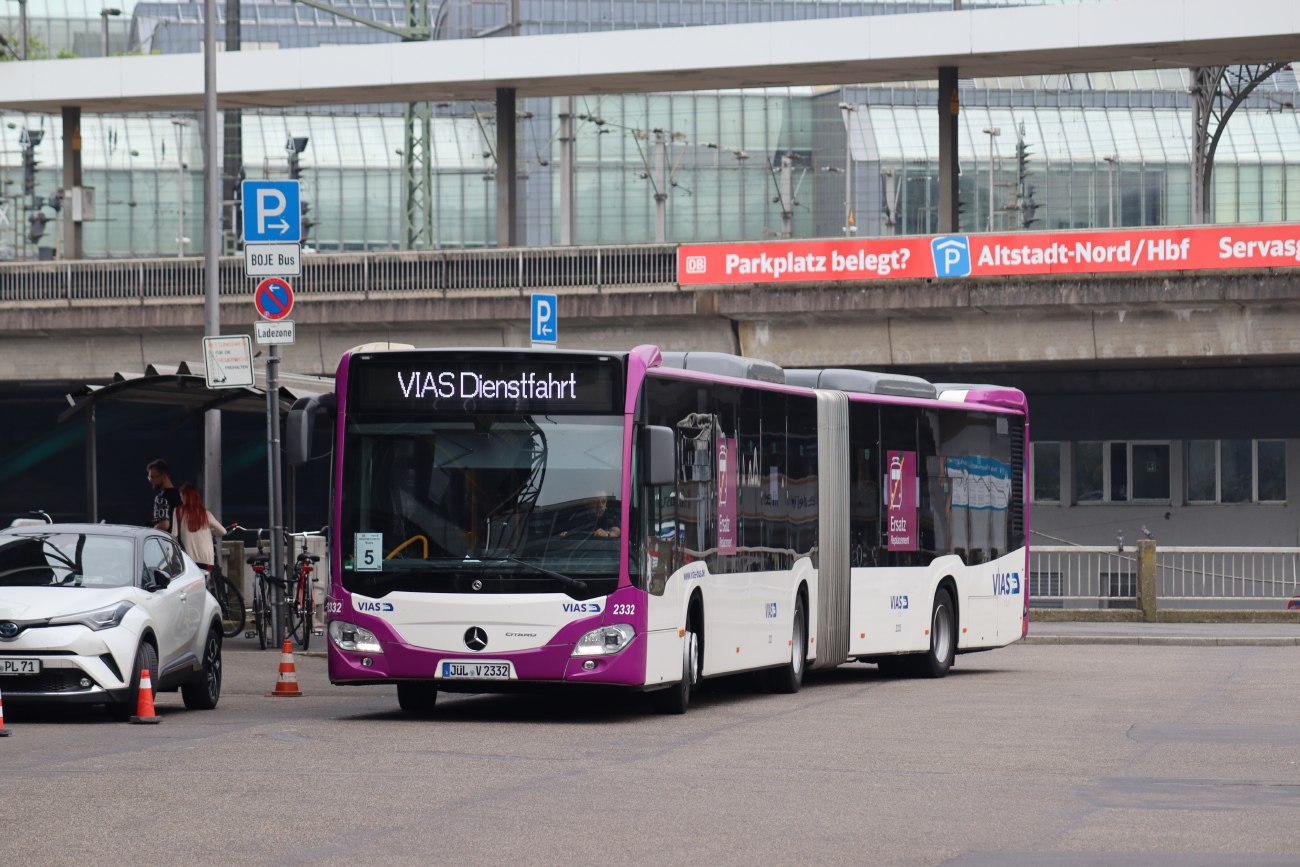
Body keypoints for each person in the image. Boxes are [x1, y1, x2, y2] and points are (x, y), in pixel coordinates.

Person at [171, 484, 228, 573]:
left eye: (181, 495)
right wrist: (209, 532)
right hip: (207, 558)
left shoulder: (178, 511)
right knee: (205, 580)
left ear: (185, 495)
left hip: (189, 558)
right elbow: (223, 531)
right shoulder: (205, 513)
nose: (181, 498)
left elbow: (174, 535)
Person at [147, 459, 182, 532]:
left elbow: (164, 525)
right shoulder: (181, 495)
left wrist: (150, 532)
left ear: (163, 476)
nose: (150, 480)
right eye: (149, 477)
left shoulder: (161, 498)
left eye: (152, 477)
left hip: (166, 541)